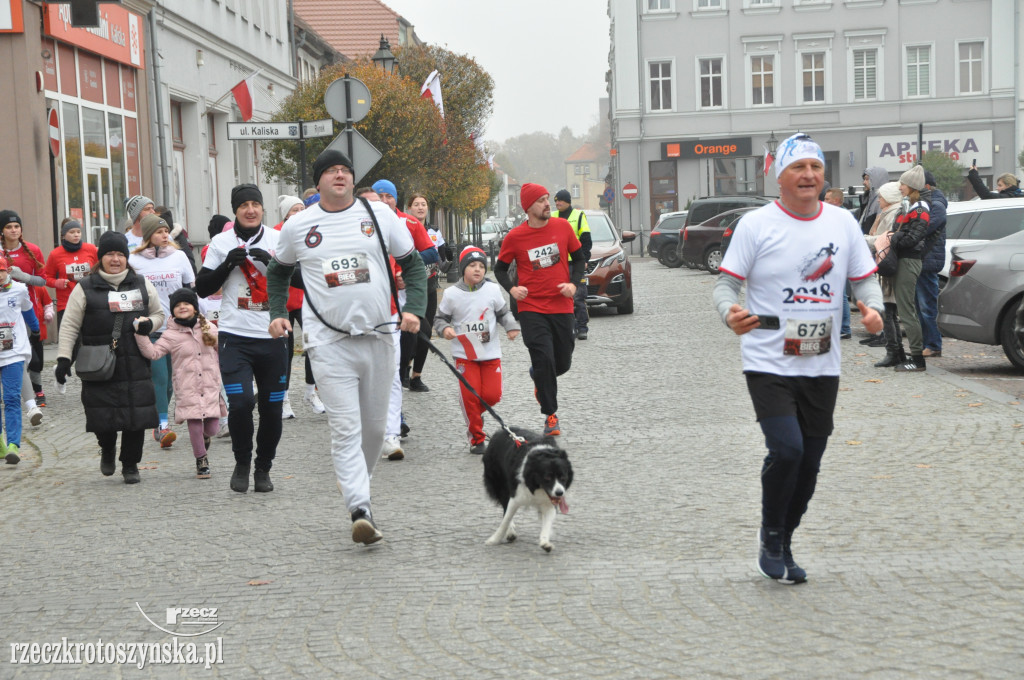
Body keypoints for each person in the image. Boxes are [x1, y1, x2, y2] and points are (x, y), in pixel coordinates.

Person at [713, 132, 883, 584]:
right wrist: (728, 313)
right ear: (780, 177)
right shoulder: (756, 225)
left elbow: (865, 281)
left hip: (821, 363)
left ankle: (785, 539)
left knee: (809, 463)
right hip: (768, 358)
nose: (809, 175)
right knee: (787, 449)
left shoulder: (843, 222)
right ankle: (770, 534)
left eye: (815, 168)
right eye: (798, 168)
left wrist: (874, 309)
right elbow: (725, 286)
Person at [268, 148, 427, 545]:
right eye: (331, 171)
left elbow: (414, 266)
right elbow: (277, 273)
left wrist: (417, 311)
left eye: (346, 170)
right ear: (318, 180)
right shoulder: (299, 226)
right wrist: (276, 312)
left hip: (379, 335)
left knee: (375, 429)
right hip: (328, 343)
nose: (340, 175)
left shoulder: (379, 216)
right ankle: (360, 508)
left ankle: (358, 482)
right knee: (345, 427)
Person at [195, 184, 288, 494]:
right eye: (244, 205)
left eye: (255, 204)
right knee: (242, 402)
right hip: (235, 337)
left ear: (263, 209)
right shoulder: (221, 242)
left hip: (273, 335)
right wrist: (227, 265)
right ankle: (242, 462)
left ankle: (263, 468)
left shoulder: (278, 239)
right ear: (235, 210)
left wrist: (271, 263)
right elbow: (202, 287)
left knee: (272, 407)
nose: (251, 209)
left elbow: (301, 278)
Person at [55, 231, 164, 484]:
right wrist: (63, 359)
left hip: (135, 360)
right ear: (100, 257)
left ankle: (130, 465)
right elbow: (70, 325)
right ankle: (107, 447)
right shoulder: (85, 287)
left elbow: (159, 314)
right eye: (109, 254)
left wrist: (150, 324)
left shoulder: (140, 283)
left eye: (120, 254)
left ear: (126, 257)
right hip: (99, 363)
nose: (115, 259)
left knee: (136, 417)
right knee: (102, 416)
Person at [494, 183, 585, 437]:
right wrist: (512, 290)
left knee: (562, 362)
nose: (548, 204)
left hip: (561, 305)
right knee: (543, 357)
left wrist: (573, 284)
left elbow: (578, 259)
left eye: (548, 199)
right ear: (528, 207)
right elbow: (500, 269)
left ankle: (539, 375)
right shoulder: (515, 237)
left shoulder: (563, 227)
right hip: (531, 308)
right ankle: (551, 416)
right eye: (541, 201)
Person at [435, 246, 520, 454]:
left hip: (490, 353)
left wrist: (511, 326)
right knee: (470, 396)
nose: (477, 270)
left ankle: (474, 413)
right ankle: (476, 438)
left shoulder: (492, 290)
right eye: (472, 265)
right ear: (463, 268)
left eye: (481, 266)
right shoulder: (451, 294)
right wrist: (445, 329)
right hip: (465, 355)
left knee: (492, 395)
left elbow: (503, 312)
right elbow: (440, 318)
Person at [135, 288, 225, 480]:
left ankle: (205, 439)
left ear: (194, 307)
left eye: (186, 303)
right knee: (194, 425)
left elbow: (224, 351)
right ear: (172, 310)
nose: (182, 307)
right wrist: (141, 335)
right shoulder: (170, 335)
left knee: (212, 428)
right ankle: (201, 460)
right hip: (187, 387)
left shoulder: (210, 328)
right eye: (177, 305)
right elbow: (153, 353)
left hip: (210, 386)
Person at [129, 214, 196, 447]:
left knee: (170, 382)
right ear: (148, 236)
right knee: (159, 377)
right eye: (159, 232)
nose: (165, 235)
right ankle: (162, 425)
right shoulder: (134, 261)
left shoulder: (179, 257)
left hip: (177, 327)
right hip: (151, 328)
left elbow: (190, 289)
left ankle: (160, 419)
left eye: (166, 231)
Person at [372, 179, 439, 392]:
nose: (384, 201)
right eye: (379, 196)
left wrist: (406, 268)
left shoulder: (408, 222)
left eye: (388, 196)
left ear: (396, 200)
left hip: (405, 293)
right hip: (376, 296)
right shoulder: (361, 224)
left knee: (419, 331)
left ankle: (411, 375)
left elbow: (431, 252)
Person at [0, 210, 53, 408]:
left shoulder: (32, 250)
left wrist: (24, 277)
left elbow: (43, 280)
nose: (13, 230)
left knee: (34, 353)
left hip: (28, 307)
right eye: (8, 227)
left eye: (16, 226)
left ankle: (37, 390)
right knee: (6, 352)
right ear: (2, 231)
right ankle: (11, 394)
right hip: (4, 311)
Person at [272, 195, 318, 419]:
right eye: (294, 210)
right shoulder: (277, 233)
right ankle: (284, 398)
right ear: (285, 214)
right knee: (285, 352)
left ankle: (311, 392)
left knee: (313, 344)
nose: (299, 213)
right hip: (283, 301)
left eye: (302, 208)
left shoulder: (312, 231)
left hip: (305, 299)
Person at [888, 165, 931, 372]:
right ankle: (913, 355)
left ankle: (917, 358)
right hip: (904, 260)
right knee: (906, 310)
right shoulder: (911, 206)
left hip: (908, 260)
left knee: (907, 311)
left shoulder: (920, 208)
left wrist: (896, 238)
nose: (900, 186)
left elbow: (914, 237)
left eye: (903, 183)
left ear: (912, 186)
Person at [0, 256, 39, 465]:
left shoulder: (19, 289)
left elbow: (28, 309)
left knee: (12, 397)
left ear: (7, 271)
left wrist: (35, 327)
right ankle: (0, 444)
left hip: (14, 351)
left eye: (1, 271)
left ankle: (13, 444)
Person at [404, 193, 444, 389]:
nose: (420, 208)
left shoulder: (433, 231)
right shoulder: (404, 227)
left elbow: (440, 254)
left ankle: (416, 376)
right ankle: (406, 367)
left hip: (430, 284)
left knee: (425, 334)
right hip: (412, 287)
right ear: (409, 208)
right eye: (416, 205)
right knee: (418, 330)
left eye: (424, 204)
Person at [865, 182, 906, 367]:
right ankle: (897, 351)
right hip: (886, 264)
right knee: (889, 310)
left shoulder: (893, 214)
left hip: (887, 265)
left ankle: (893, 352)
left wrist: (864, 239)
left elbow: (884, 239)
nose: (879, 201)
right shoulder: (891, 212)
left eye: (881, 198)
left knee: (888, 310)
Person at [552, 189, 593, 340]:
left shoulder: (578, 215)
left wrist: (585, 259)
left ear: (568, 201)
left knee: (578, 296)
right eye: (555, 200)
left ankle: (582, 327)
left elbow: (586, 240)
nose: (557, 203)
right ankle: (569, 327)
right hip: (558, 263)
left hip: (575, 263)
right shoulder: (552, 216)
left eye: (560, 200)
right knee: (561, 297)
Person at [917, 171, 947, 359]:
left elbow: (923, 228)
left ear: (927, 187)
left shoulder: (935, 205)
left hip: (928, 261)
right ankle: (927, 342)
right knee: (921, 305)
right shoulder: (929, 204)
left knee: (927, 305)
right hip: (924, 259)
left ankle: (933, 344)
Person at [823, 189, 852, 339]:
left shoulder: (843, 217)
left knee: (841, 294)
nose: (824, 202)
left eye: (827, 199)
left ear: (836, 201)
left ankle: (845, 328)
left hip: (840, 258)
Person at [858, 167, 889, 235]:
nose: (864, 182)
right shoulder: (870, 199)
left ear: (876, 180)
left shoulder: (882, 200)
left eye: (867, 179)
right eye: (864, 179)